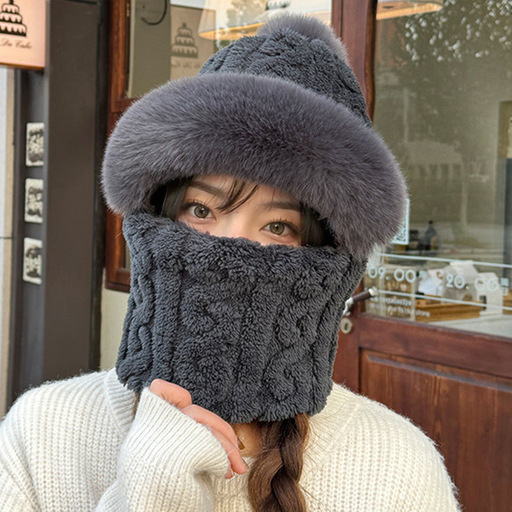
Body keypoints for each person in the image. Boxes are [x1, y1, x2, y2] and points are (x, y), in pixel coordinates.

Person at [0, 14, 460, 512]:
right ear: (159, 213)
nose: (229, 249)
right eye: (201, 210)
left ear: (332, 261)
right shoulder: (44, 434)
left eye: (278, 226)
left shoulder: (395, 467)